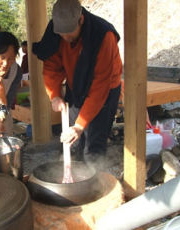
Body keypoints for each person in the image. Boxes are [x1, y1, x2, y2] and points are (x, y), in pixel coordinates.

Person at [32, 0, 123, 164]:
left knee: (94, 142)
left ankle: (95, 180)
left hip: (105, 89)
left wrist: (80, 125)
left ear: (81, 20)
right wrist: (54, 95)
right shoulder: (56, 32)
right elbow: (52, 67)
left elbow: (100, 86)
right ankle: (74, 174)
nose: (65, 38)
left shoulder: (103, 36)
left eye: (69, 33)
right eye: (62, 34)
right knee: (72, 139)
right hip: (76, 84)